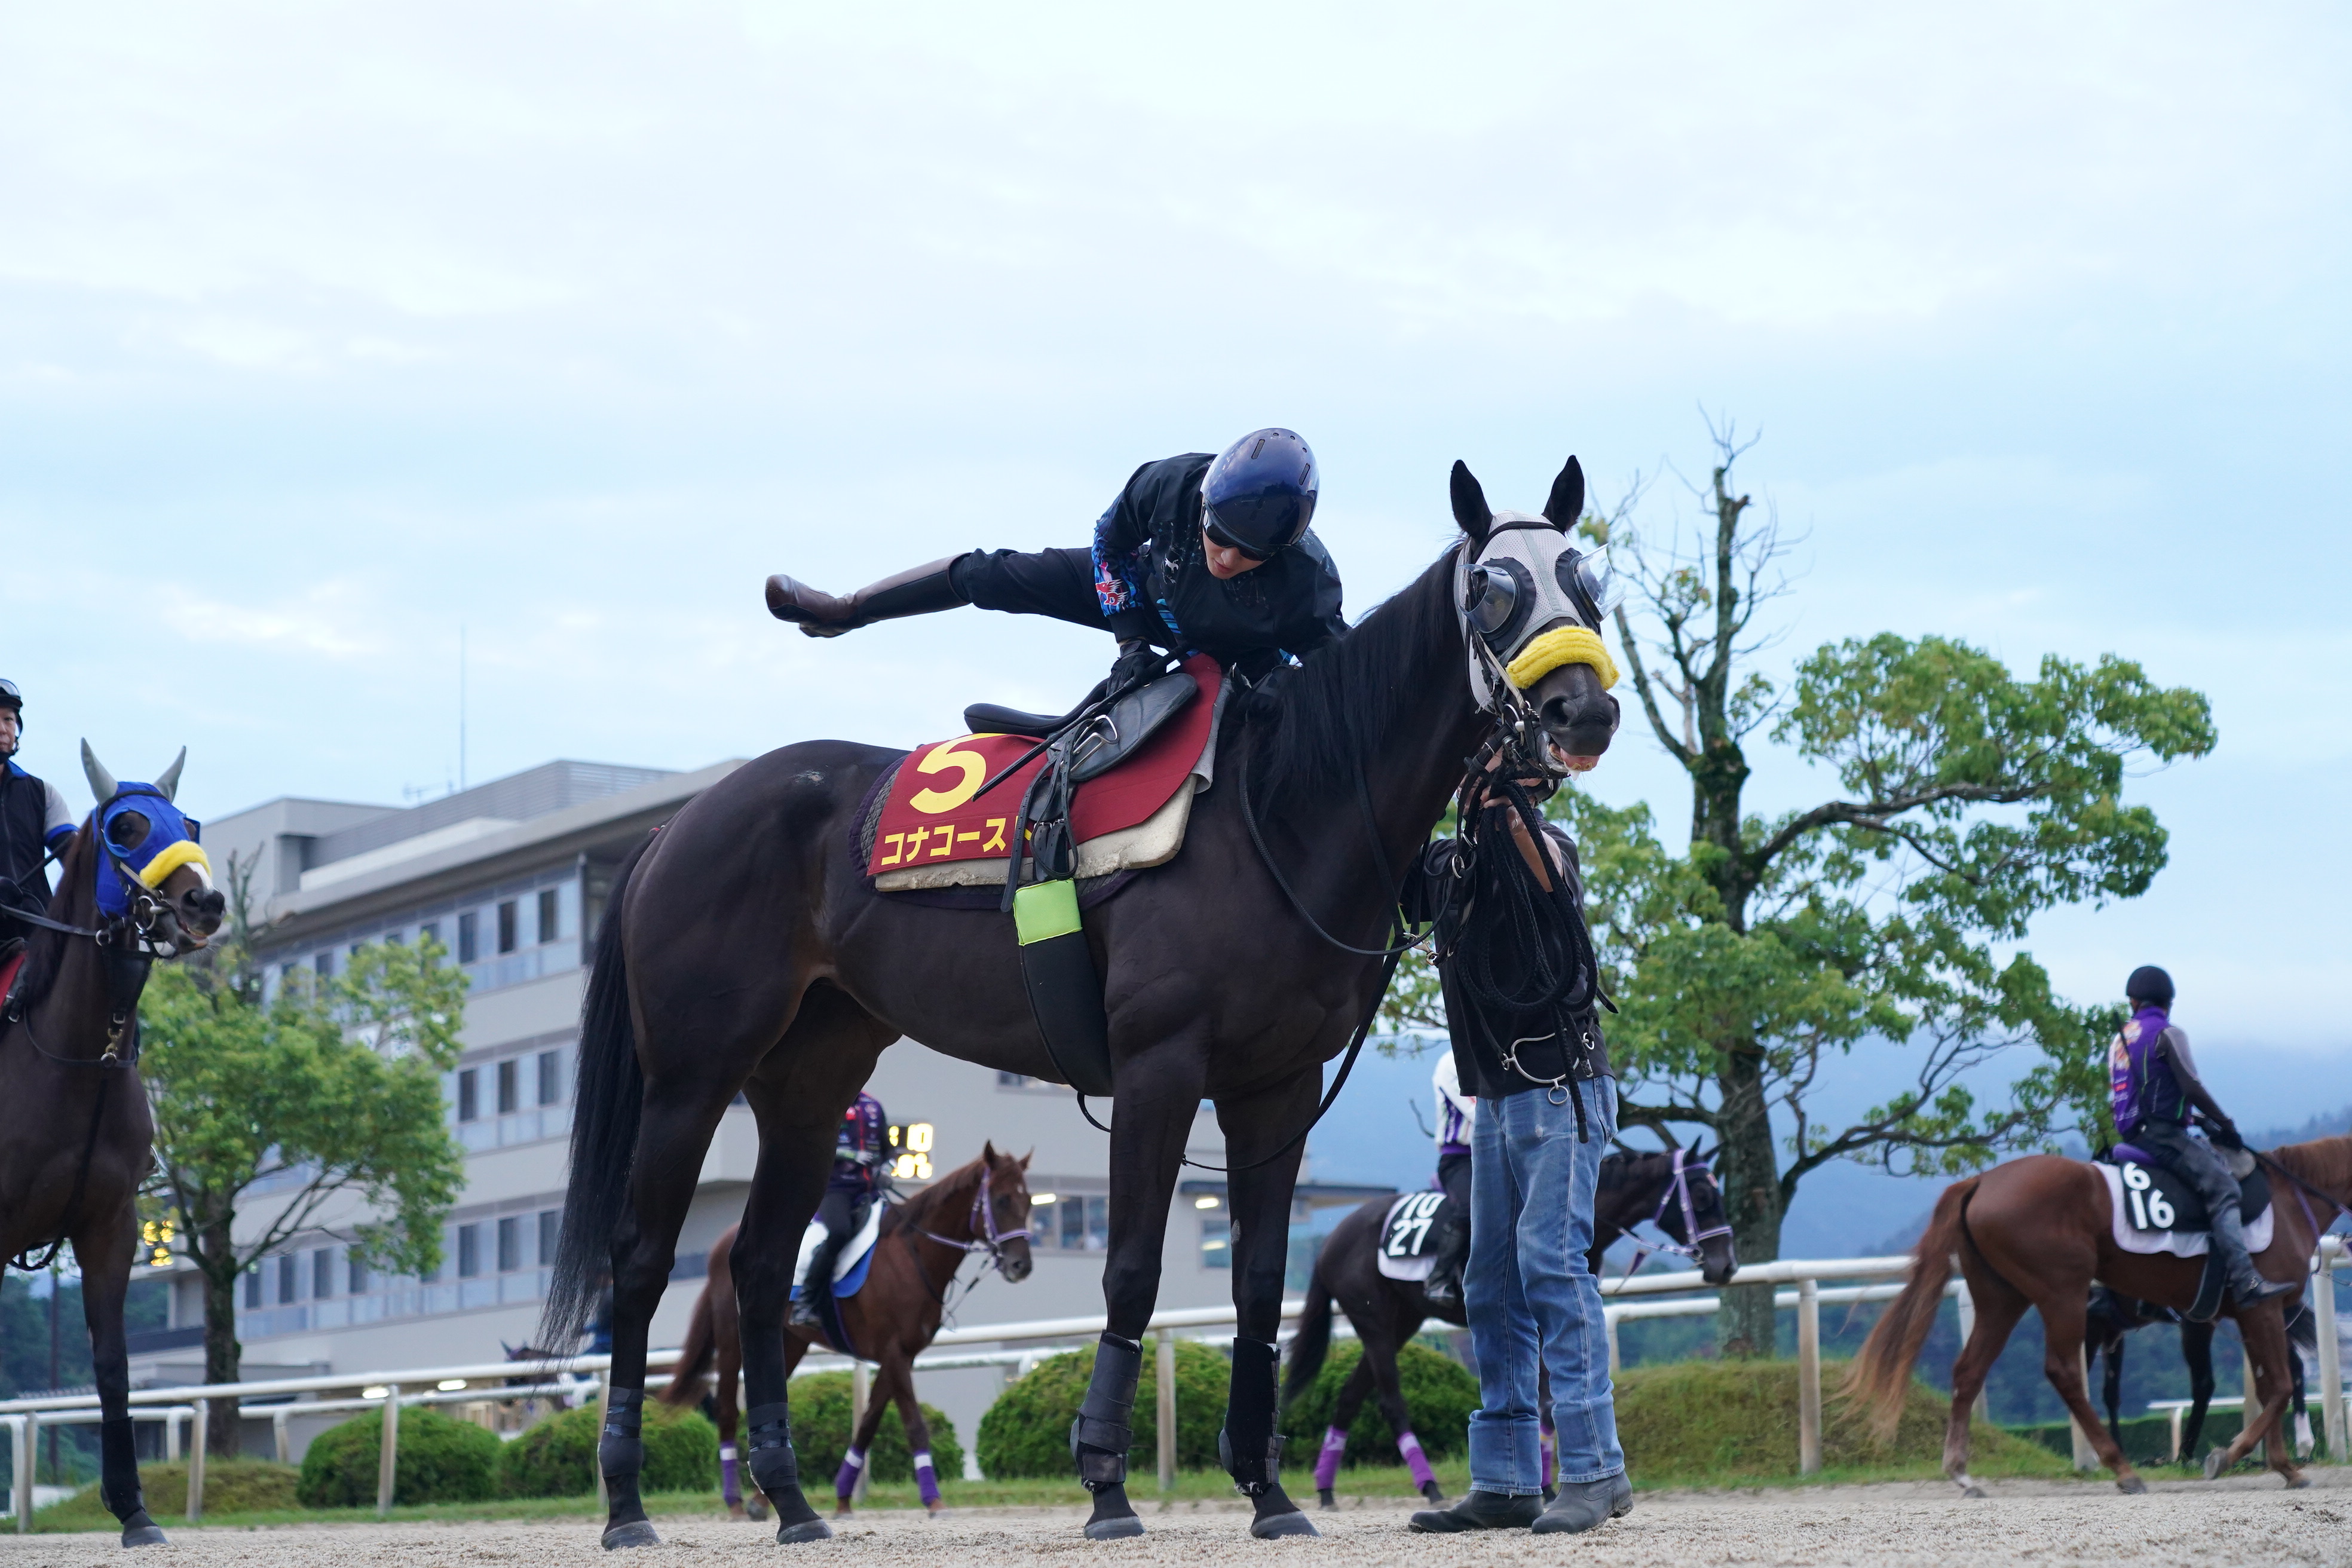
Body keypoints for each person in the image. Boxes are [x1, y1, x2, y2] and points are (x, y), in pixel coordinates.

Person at [1408, 801, 1627, 1538]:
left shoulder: (1547, 843)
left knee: (1551, 1265)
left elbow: (1548, 875)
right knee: (1490, 1278)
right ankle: (1505, 1479)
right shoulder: (1447, 865)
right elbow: (1391, 889)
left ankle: (1596, 1468)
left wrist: (1505, 805)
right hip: (1496, 1099)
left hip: (1561, 1085)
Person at [764, 429, 1345, 688]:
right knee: (988, 573)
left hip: (1240, 653)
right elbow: (1108, 542)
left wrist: (1285, 689)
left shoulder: (1308, 589)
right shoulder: (1168, 483)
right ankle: (849, 608)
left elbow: (1340, 677)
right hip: (1148, 590)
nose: (1226, 556)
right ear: (1204, 501)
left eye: (1249, 554)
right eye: (1218, 535)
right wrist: (1131, 640)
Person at [2109, 965, 2296, 1308]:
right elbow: (2190, 1085)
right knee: (2224, 1188)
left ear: (2133, 1001)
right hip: (2165, 1138)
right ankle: (2245, 1280)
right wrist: (2225, 1124)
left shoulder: (2120, 1040)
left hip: (2133, 1136)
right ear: (2168, 1002)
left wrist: (2194, 1120)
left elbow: (2149, 1097)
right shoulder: (2169, 1034)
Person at [793, 1091, 890, 1330]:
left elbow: (888, 1148)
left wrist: (888, 1167)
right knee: (839, 1232)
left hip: (869, 1191)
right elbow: (810, 1145)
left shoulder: (873, 1106)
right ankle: (805, 1303)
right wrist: (851, 1155)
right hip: (834, 1189)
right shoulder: (825, 1102)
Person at [0, 681, 78, 945]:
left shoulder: (42, 792)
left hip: (37, 932)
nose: (3, 730)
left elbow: (76, 860)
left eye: (9, 720)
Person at [1420, 1051, 1477, 1309]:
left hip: (1501, 1156)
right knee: (1467, 1209)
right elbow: (1479, 1111)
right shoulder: (1452, 1062)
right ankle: (1438, 1278)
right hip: (1460, 1158)